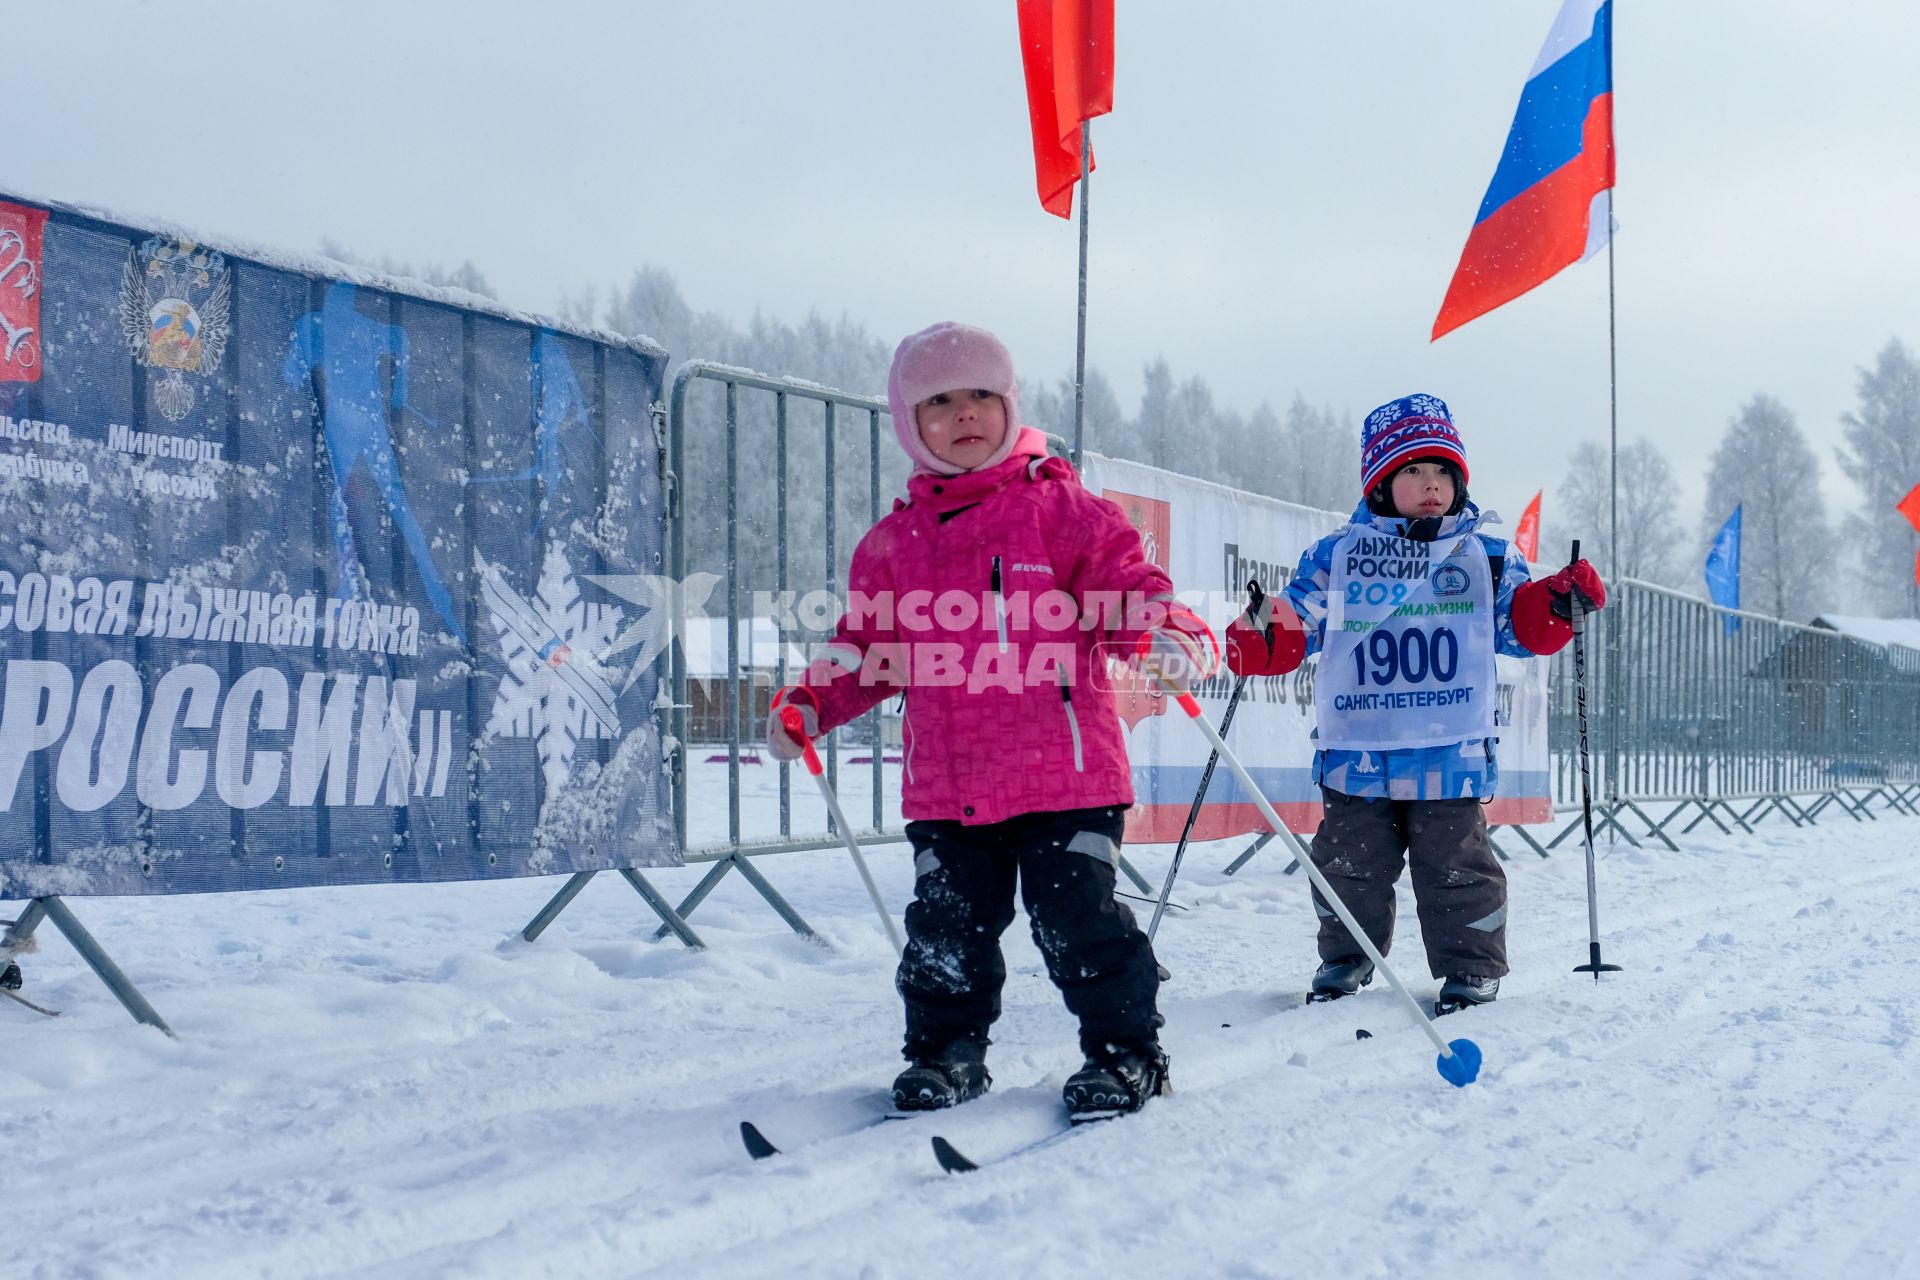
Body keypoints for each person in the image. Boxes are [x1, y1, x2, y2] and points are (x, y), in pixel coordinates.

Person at [766, 322, 1217, 1120]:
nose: (964, 413)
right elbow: (866, 644)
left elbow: (1129, 587)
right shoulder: (892, 545)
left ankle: (1124, 1054)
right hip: (949, 781)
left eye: (981, 395)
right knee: (947, 931)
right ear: (910, 424)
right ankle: (947, 1054)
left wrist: (1167, 634)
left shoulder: (1061, 509)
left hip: (1066, 773)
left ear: (1010, 405)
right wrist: (811, 700)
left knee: (1077, 924)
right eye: (939, 401)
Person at [1225, 394, 1605, 1015]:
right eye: (1413, 472)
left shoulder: (1486, 556)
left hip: (1449, 745)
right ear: (1382, 483)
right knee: (1349, 864)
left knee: (1456, 864)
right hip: (1358, 746)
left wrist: (1558, 605)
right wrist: (1266, 631)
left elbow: (1518, 628)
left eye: (1443, 473)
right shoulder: (1338, 555)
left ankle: (1470, 968)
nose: (1431, 486)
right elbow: (1303, 620)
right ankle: (1346, 959)